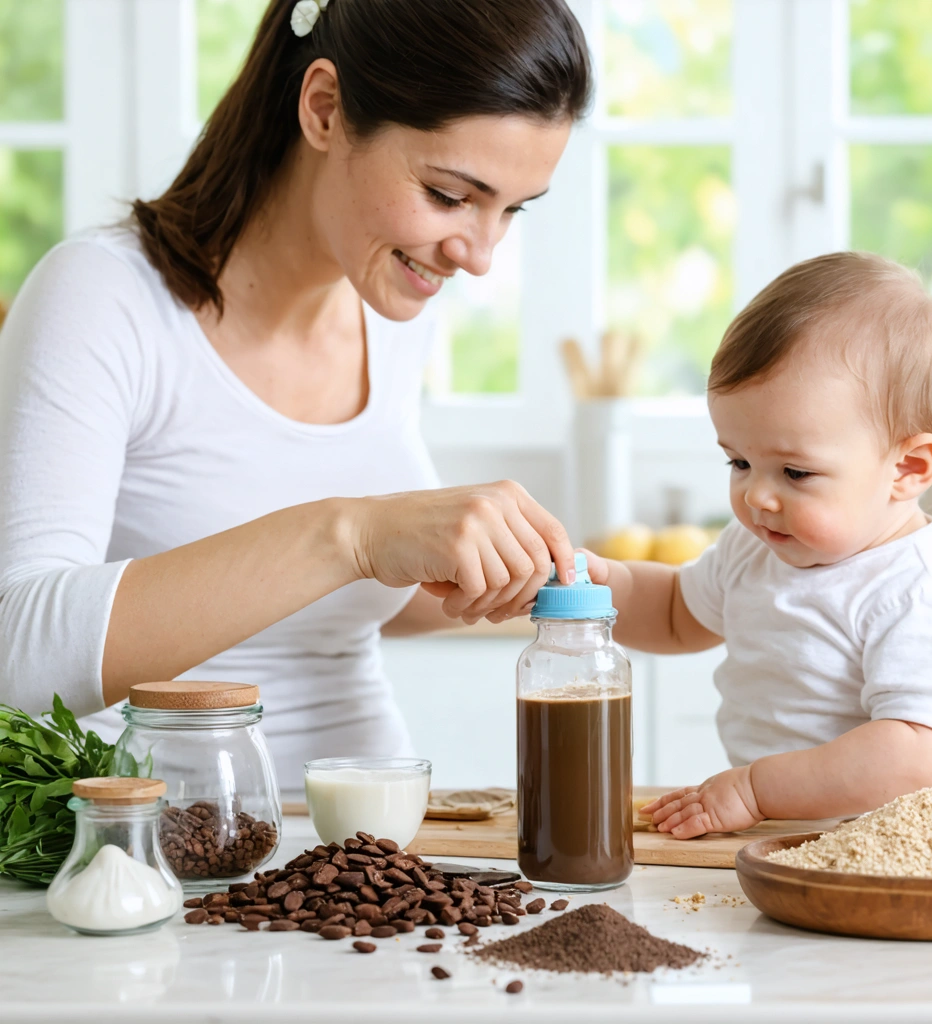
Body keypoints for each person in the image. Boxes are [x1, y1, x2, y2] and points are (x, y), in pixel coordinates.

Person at [0, 0, 591, 790]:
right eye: (451, 195)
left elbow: (344, 595)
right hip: (153, 850)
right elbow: (16, 656)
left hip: (367, 844)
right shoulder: (104, 297)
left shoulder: (390, 302)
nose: (479, 256)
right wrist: (351, 534)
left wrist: (533, 571)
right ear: (324, 109)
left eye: (510, 210)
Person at [585, 252, 932, 838]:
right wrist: (597, 584)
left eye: (795, 473)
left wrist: (757, 790)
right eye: (740, 461)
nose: (757, 496)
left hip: (909, 850)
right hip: (789, 837)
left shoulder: (915, 594)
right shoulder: (754, 548)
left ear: (907, 467)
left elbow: (917, 750)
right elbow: (679, 614)